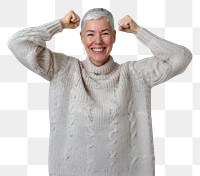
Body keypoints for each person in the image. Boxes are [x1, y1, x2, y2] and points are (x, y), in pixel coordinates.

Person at [8, 8, 192, 176]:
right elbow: (17, 43)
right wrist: (60, 24)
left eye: (104, 33)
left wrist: (138, 31)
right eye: (90, 34)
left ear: (114, 36)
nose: (97, 41)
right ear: (81, 37)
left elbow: (181, 56)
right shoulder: (62, 70)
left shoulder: (135, 74)